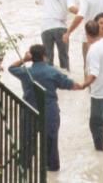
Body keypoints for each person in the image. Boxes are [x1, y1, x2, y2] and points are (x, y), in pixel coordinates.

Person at [8, 44, 82, 172]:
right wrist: (83, 85)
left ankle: (24, 168)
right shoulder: (53, 72)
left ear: (32, 57)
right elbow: (71, 85)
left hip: (29, 111)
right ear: (44, 56)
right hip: (50, 111)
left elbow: (11, 68)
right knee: (51, 143)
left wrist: (24, 60)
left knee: (27, 142)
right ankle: (52, 170)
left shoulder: (26, 72)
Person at [81, 20, 103, 152]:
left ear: (87, 34)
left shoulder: (93, 50)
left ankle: (100, 151)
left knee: (95, 124)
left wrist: (83, 84)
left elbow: (94, 74)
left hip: (101, 93)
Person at [37, 0, 78, 70]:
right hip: (60, 28)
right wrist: (83, 12)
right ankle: (65, 84)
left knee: (48, 59)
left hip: (45, 27)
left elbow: (37, 1)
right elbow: (71, 7)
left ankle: (48, 84)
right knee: (64, 58)